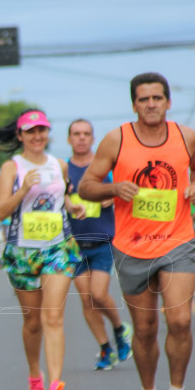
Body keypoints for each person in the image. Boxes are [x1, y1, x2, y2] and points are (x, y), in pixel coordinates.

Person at [79, 72, 195, 390]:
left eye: (157, 98)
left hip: (176, 240)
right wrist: (113, 188)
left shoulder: (186, 137)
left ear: (168, 101)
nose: (150, 104)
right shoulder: (116, 140)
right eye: (143, 99)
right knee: (146, 327)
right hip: (131, 246)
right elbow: (86, 186)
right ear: (134, 104)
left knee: (180, 320)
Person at [0, 110, 81, 390]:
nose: (37, 136)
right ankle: (35, 376)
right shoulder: (11, 168)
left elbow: (63, 198)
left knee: (52, 317)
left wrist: (73, 207)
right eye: (30, 131)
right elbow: (1, 212)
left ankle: (56, 385)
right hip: (22, 252)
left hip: (58, 249)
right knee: (32, 322)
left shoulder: (60, 165)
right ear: (20, 136)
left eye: (42, 130)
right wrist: (23, 190)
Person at [66, 119, 133, 371]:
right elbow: (57, 197)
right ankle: (105, 349)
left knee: (98, 293)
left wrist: (112, 196)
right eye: (76, 134)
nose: (81, 138)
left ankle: (119, 328)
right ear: (69, 139)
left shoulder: (104, 168)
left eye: (86, 134)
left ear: (93, 139)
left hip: (103, 240)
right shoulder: (65, 170)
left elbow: (127, 192)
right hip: (75, 244)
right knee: (87, 301)